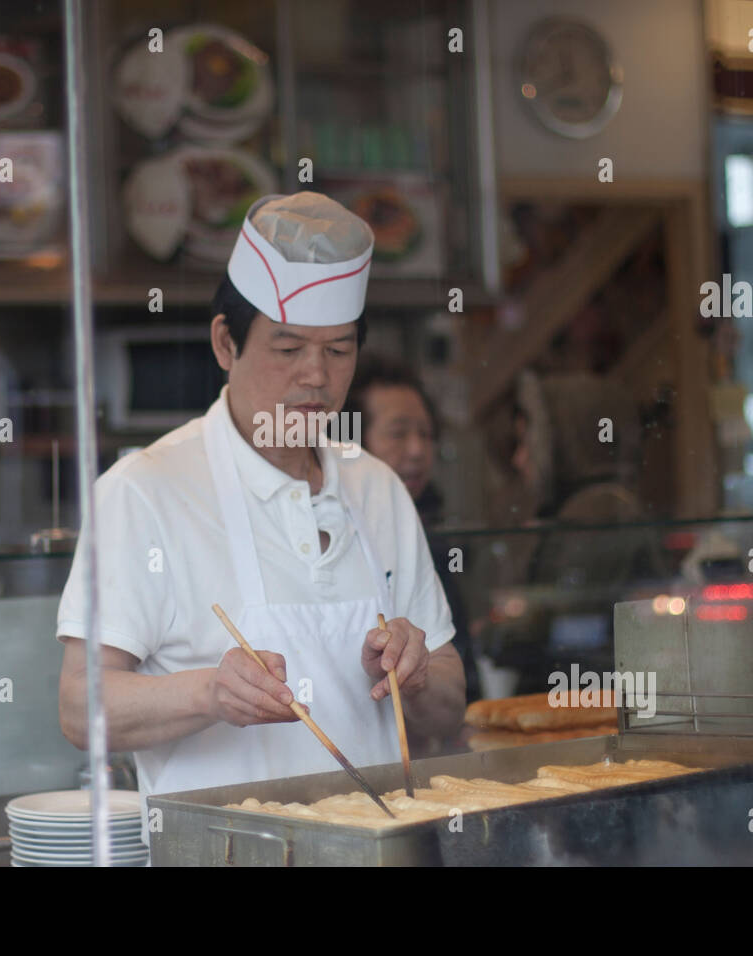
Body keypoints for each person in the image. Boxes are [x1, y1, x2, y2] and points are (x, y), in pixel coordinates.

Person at [57, 192, 465, 806]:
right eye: (288, 349)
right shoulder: (145, 491)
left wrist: (419, 672)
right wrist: (209, 694)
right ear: (226, 343)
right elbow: (78, 705)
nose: (317, 378)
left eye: (338, 350)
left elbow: (452, 700)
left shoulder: (375, 486)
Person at [342, 354, 481, 703]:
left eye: (426, 434)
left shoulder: (431, 525)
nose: (418, 450)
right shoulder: (338, 534)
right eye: (398, 433)